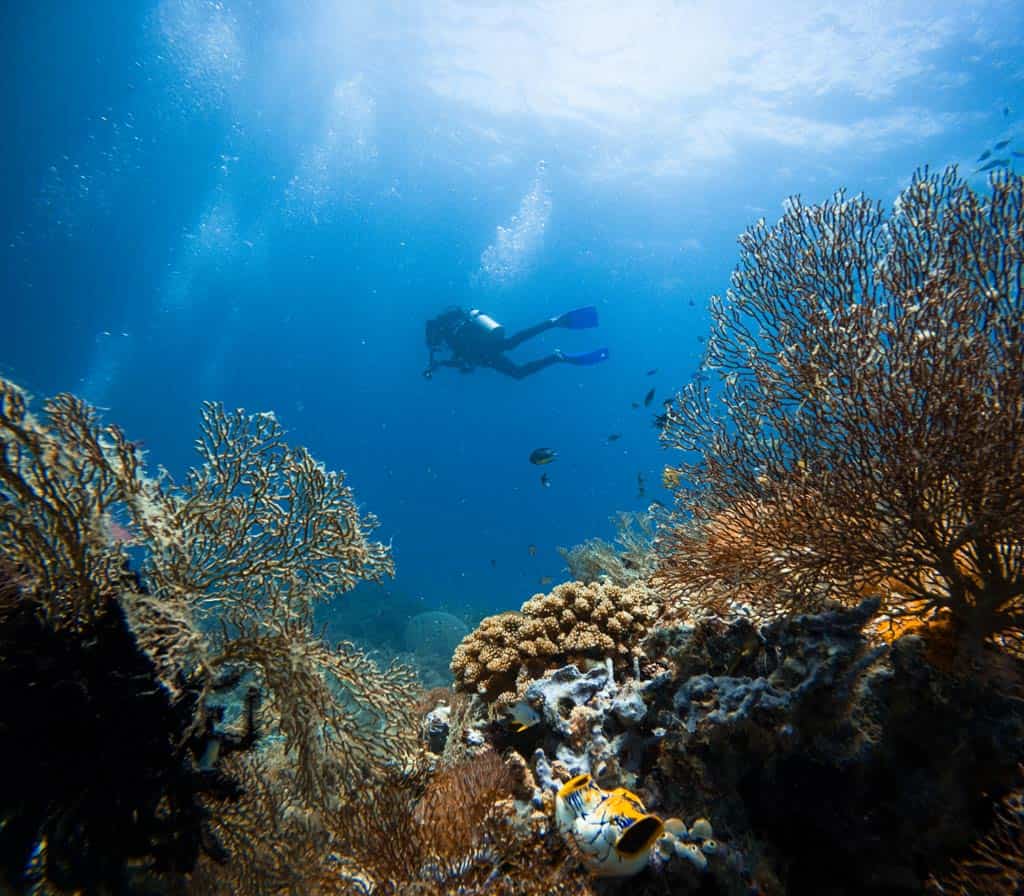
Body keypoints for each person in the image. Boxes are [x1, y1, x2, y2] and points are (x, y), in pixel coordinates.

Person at [423, 306, 609, 380]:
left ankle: (554, 339)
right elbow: (461, 359)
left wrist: (440, 363)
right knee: (515, 358)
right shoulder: (450, 335)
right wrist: (446, 363)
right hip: (485, 354)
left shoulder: (448, 334)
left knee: (516, 363)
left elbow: (460, 355)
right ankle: (554, 339)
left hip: (482, 349)